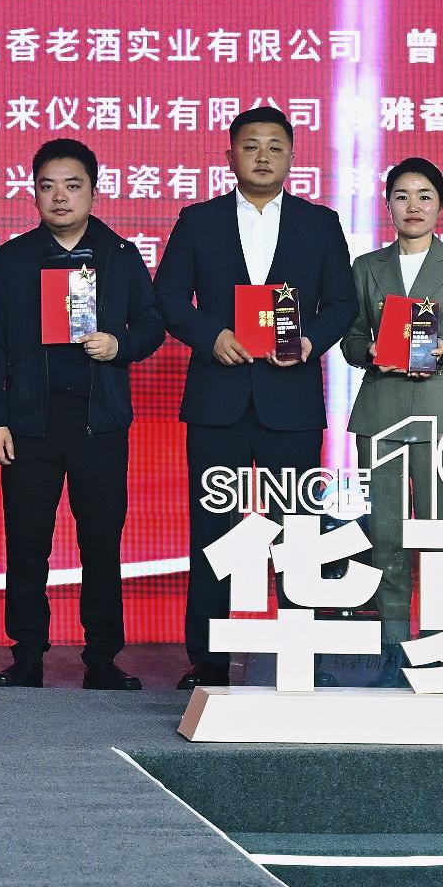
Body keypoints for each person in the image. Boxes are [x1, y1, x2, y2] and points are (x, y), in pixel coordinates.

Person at [153, 105, 356, 688]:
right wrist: (210, 336)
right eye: (251, 145)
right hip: (217, 398)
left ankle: (297, 651)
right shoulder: (199, 221)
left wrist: (310, 341)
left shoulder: (319, 223)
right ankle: (208, 659)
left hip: (290, 400)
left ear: (291, 157)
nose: (263, 156)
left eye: (275, 146)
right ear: (230, 156)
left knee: (299, 529)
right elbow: (168, 297)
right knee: (212, 531)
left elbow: (341, 302)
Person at [0, 138, 163, 689]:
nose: (60, 197)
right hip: (29, 423)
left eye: (73, 185)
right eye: (48, 186)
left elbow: (152, 325)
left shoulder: (120, 256)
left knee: (101, 543)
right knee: (26, 542)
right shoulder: (14, 259)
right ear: (34, 194)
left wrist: (120, 344)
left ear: (94, 193)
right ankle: (27, 655)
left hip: (98, 422)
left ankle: (102, 657)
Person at [341, 158, 443, 686]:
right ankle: (393, 644)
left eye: (425, 195)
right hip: (382, 409)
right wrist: (370, 351)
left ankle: (440, 640)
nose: (413, 206)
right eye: (402, 196)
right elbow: (351, 339)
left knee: (440, 534)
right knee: (385, 534)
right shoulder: (366, 266)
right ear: (387, 204)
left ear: (442, 205)